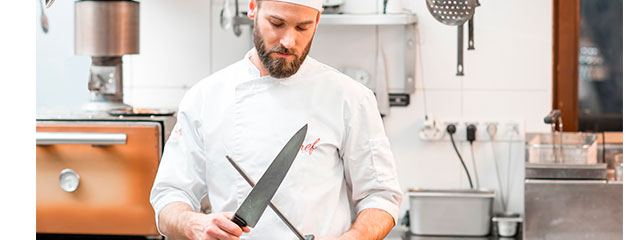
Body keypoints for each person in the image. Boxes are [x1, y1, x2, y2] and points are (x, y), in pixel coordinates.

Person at [149, 0, 403, 239]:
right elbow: (169, 197)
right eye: (277, 23)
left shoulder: (350, 97)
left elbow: (381, 197)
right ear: (252, 8)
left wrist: (353, 238)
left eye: (303, 27)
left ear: (317, 20)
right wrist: (194, 224)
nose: (289, 41)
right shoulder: (205, 97)